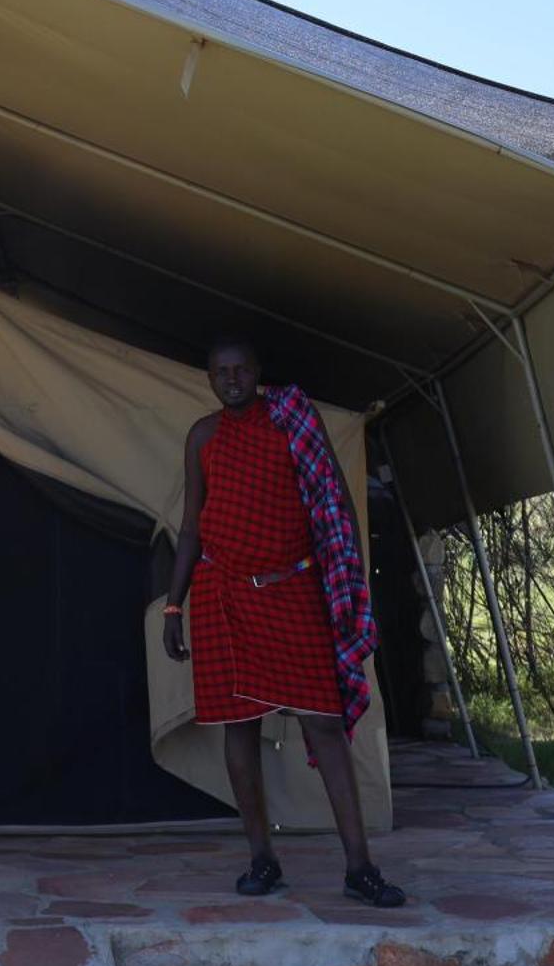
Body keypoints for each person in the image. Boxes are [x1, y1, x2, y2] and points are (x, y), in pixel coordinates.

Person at [161, 337, 406, 907]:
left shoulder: (293, 419)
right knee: (238, 727)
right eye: (220, 372)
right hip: (221, 597)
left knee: (323, 723)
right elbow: (192, 528)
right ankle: (261, 859)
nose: (232, 380)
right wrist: (174, 605)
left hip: (292, 588)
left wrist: (343, 581)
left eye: (241, 369)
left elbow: (334, 500)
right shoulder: (203, 436)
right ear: (209, 378)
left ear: (258, 371)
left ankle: (359, 867)